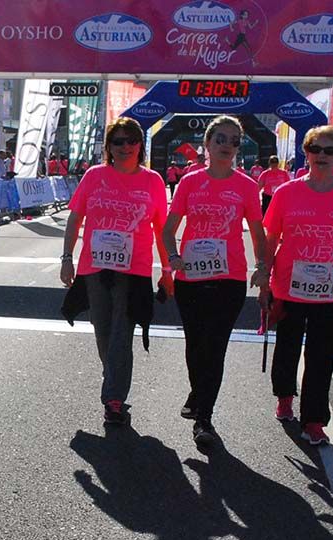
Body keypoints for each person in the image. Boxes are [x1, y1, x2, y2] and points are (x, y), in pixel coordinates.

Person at [162, 116, 268, 451]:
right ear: (207, 144)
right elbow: (168, 229)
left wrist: (263, 266)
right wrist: (173, 255)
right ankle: (198, 392)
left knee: (215, 345)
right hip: (191, 275)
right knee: (195, 344)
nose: (228, 145)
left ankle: (204, 417)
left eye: (235, 140)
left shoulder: (248, 186)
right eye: (221, 138)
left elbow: (257, 230)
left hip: (230, 276)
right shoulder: (190, 183)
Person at [60, 117, 172, 427]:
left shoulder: (152, 181)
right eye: (118, 142)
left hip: (133, 271)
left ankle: (113, 398)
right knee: (103, 331)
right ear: (109, 147)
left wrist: (166, 270)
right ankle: (113, 376)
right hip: (94, 268)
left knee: (122, 333)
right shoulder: (95, 176)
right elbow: (75, 218)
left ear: (140, 145)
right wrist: (67, 257)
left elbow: (162, 228)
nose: (125, 147)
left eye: (131, 141)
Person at [263, 126, 333, 447]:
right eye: (315, 149)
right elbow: (270, 239)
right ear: (306, 153)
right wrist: (263, 278)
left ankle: (315, 421)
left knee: (321, 356)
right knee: (288, 347)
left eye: (329, 150)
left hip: (330, 290)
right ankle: (284, 396)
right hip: (289, 286)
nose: (322, 156)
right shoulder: (285, 193)